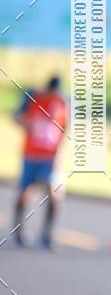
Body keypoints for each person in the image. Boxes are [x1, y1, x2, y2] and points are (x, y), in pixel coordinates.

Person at [13, 75, 68, 249]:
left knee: (54, 193)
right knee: (25, 194)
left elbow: (65, 129)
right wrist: (26, 123)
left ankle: (47, 235)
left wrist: (59, 156)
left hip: (49, 157)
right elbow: (17, 117)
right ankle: (19, 231)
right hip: (31, 155)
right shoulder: (32, 97)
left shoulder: (62, 102)